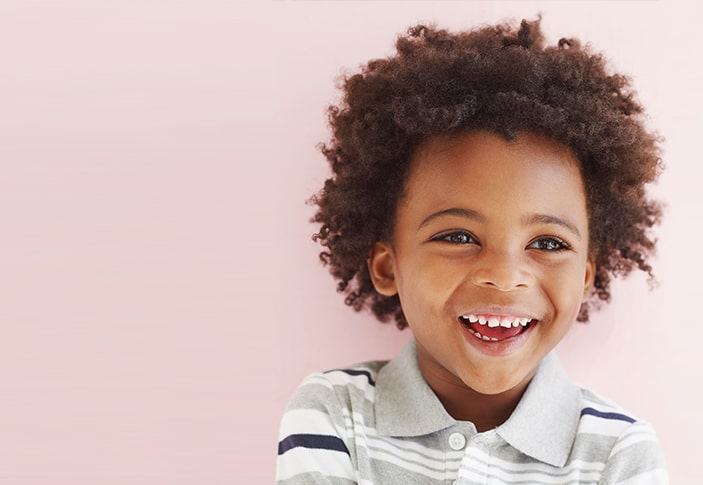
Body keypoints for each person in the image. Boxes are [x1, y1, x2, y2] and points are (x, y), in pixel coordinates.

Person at [277, 17, 668, 484]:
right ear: (387, 266)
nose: (505, 276)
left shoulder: (618, 454)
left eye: (547, 243)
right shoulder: (334, 412)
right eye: (458, 237)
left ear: (585, 277)